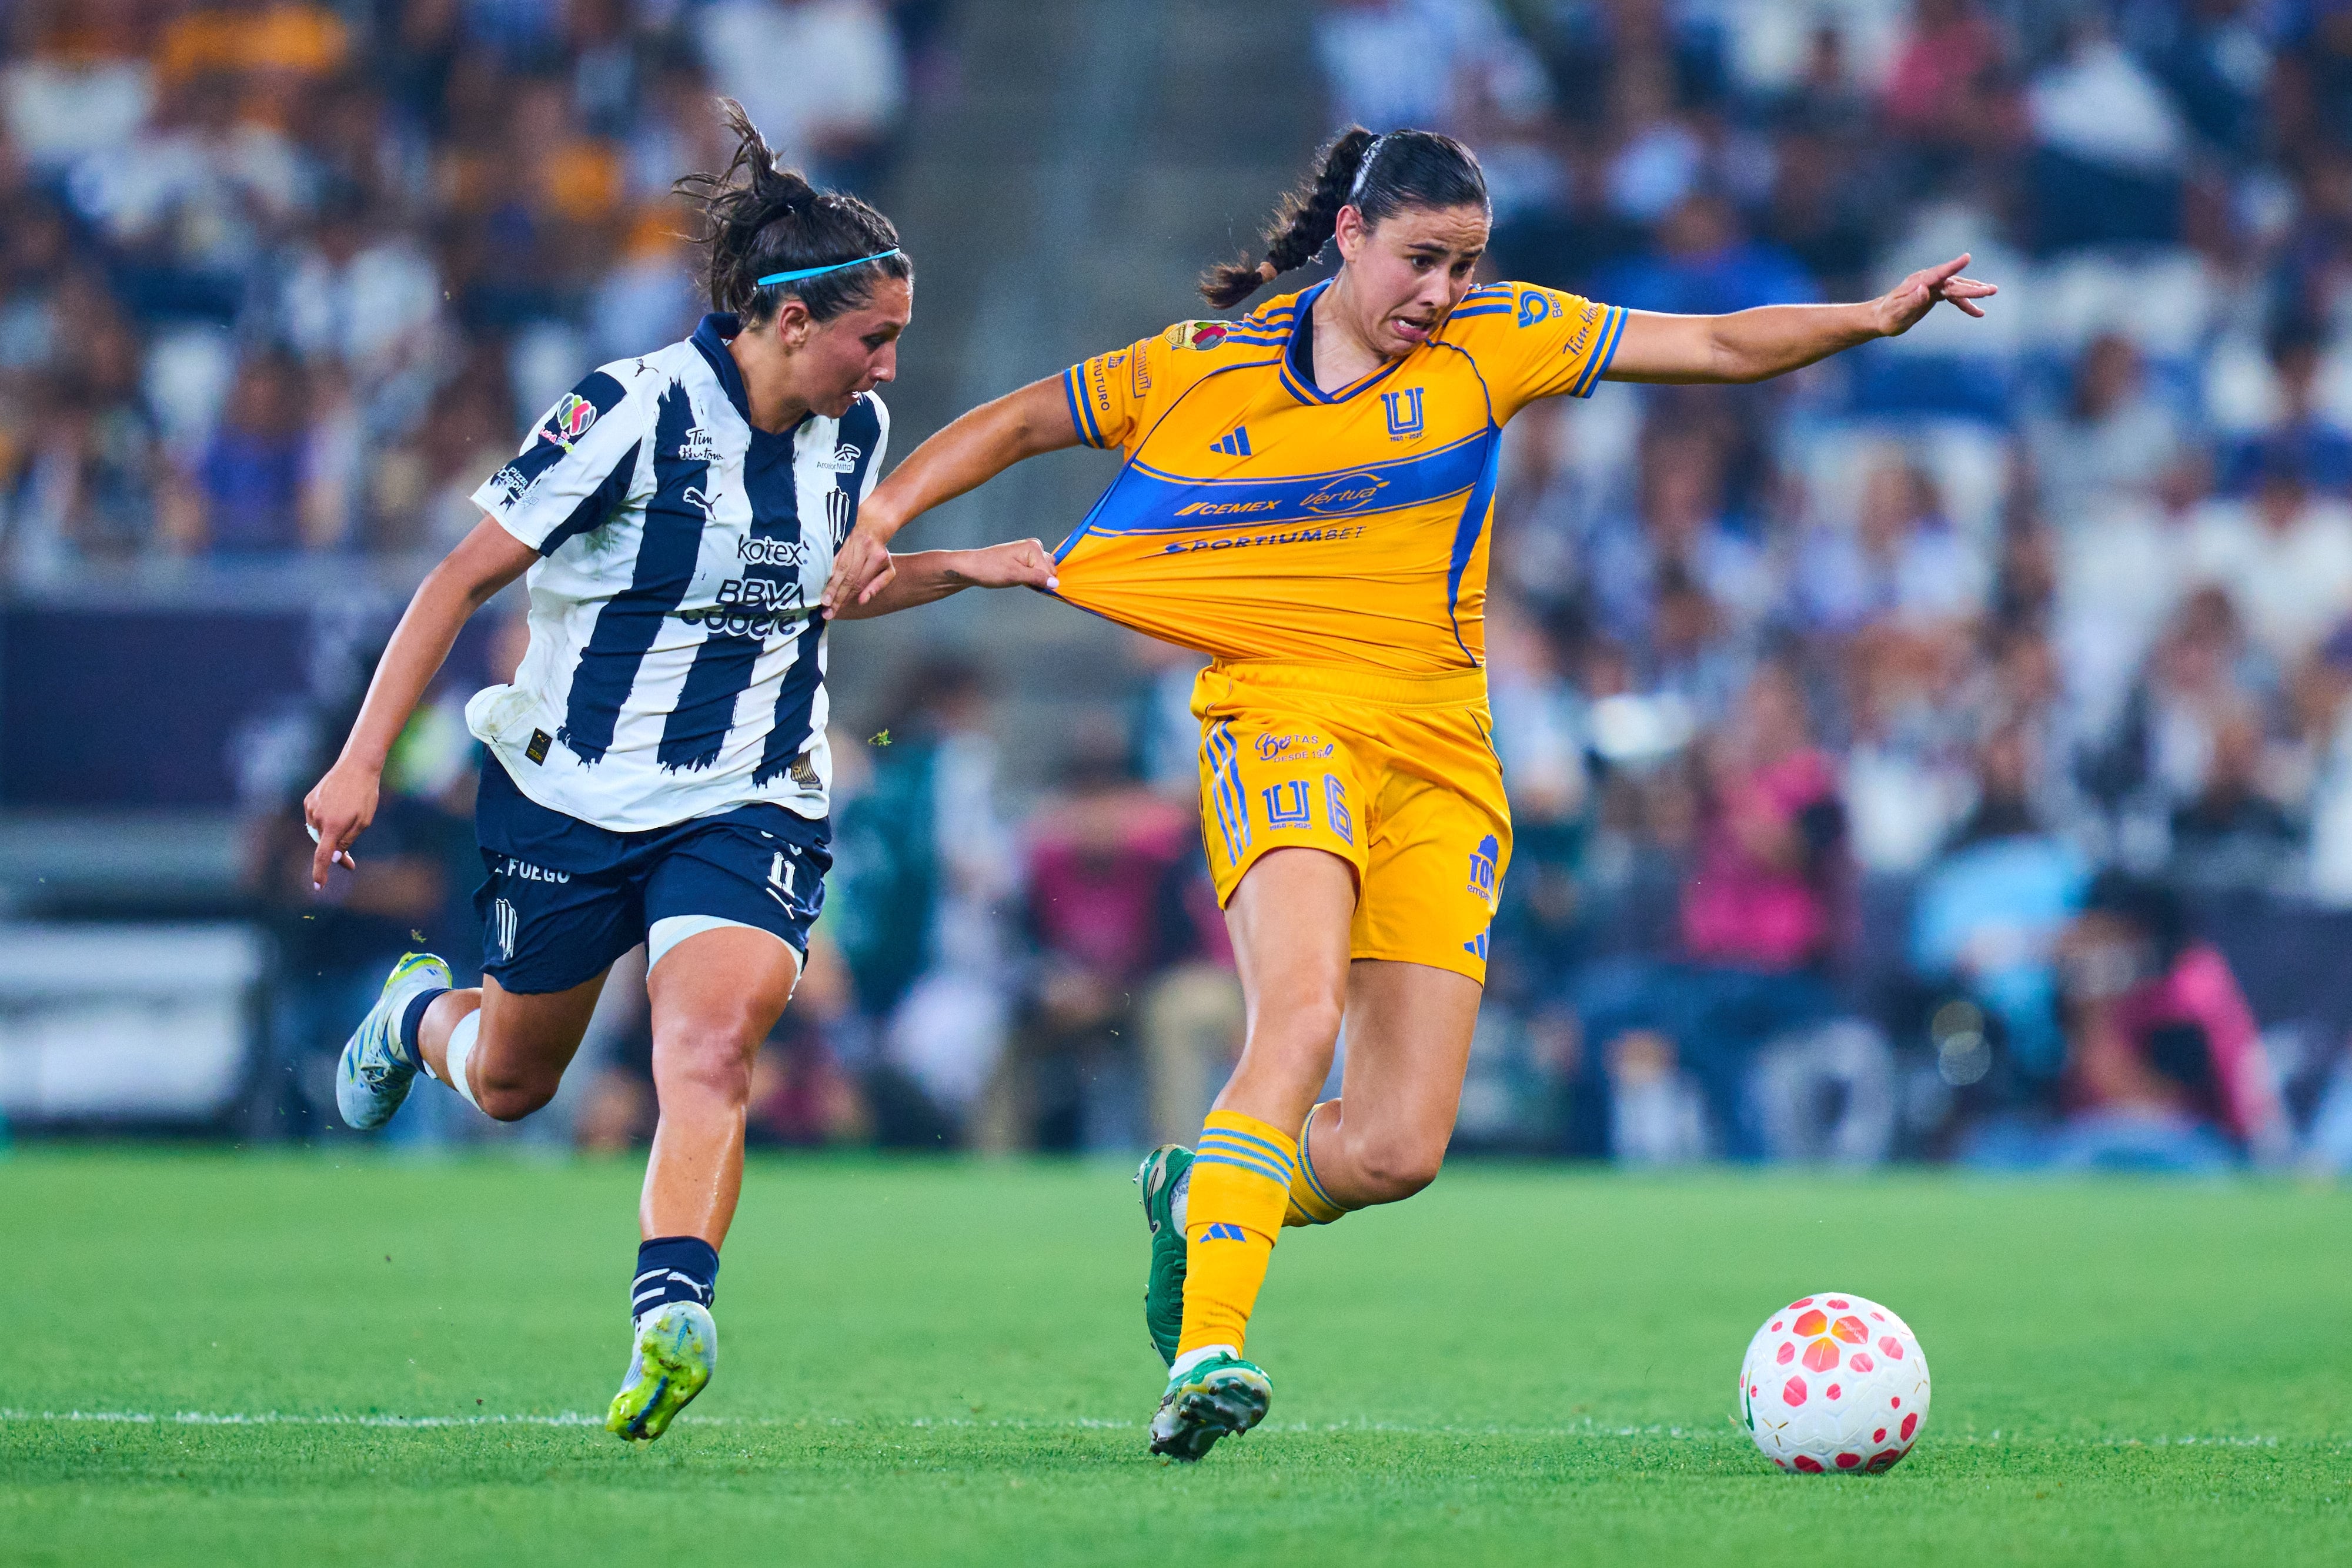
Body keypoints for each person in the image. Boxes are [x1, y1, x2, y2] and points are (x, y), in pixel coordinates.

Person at [821, 125, 1995, 1461]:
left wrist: (1870, 317)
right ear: (1350, 239)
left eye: (1466, 263)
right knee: (1300, 1008)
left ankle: (1195, 1190)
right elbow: (1027, 417)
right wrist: (883, 513)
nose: (1442, 292)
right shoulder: (1204, 363)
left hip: (1440, 755)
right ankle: (1209, 1343)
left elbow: (1716, 346)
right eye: (1423, 260)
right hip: (1278, 718)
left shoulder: (1499, 338)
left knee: (1392, 1147)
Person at [301, 103, 1055, 1444]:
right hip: (568, 793)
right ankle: (420, 1014)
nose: (887, 370)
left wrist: (963, 568)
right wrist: (359, 762)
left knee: (705, 1041)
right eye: (870, 339)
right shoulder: (626, 411)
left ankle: (672, 1311)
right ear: (782, 321)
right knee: (512, 1082)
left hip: (749, 793)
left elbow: (809, 597)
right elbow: (456, 577)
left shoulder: (855, 442)